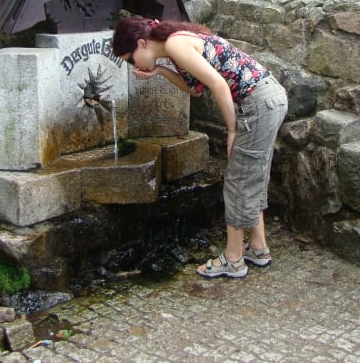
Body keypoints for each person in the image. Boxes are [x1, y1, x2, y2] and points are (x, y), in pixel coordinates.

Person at [112, 16, 288, 278]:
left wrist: (232, 130)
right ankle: (258, 247)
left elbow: (218, 84)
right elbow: (195, 89)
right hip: (269, 99)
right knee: (252, 175)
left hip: (259, 104)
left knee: (239, 180)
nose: (133, 65)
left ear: (141, 43)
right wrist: (160, 71)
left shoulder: (175, 45)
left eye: (130, 59)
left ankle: (233, 259)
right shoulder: (176, 44)